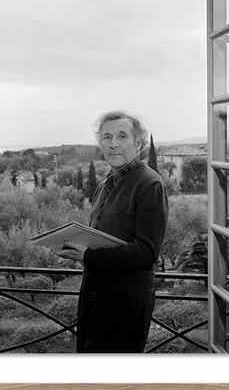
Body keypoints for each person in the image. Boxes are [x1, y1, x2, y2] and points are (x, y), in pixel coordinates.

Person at [55, 111, 169, 353]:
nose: (113, 143)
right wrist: (74, 246)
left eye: (121, 136)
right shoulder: (106, 183)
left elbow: (147, 252)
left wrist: (88, 256)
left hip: (126, 301)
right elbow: (104, 235)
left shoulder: (150, 184)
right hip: (95, 295)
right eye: (106, 137)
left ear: (138, 143)